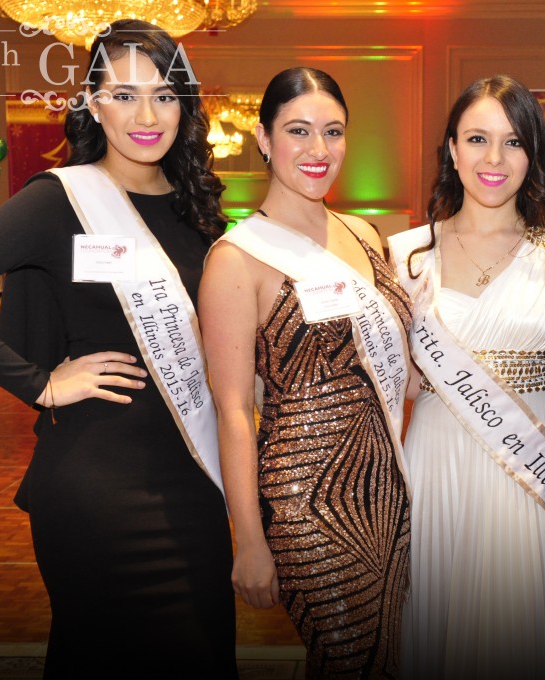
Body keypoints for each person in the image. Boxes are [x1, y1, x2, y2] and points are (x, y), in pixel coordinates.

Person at [0, 20, 237, 679]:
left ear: (186, 106)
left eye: (164, 96)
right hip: (99, 491)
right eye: (125, 95)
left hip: (194, 485)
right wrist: (41, 384)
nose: (147, 116)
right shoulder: (61, 199)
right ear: (93, 103)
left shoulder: (197, 210)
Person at [199, 67, 413, 678]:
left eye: (333, 131)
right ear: (263, 139)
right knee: (350, 659)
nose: (319, 149)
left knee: (388, 657)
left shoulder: (364, 234)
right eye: (298, 130)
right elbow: (233, 411)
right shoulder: (237, 259)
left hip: (390, 487)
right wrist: (249, 540)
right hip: (308, 501)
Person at [388, 75, 545, 679]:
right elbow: (398, 382)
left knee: (522, 626)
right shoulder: (405, 254)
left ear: (533, 154)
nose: (494, 158)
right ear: (451, 149)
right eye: (477, 139)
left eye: (513, 141)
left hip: (533, 462)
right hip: (438, 458)